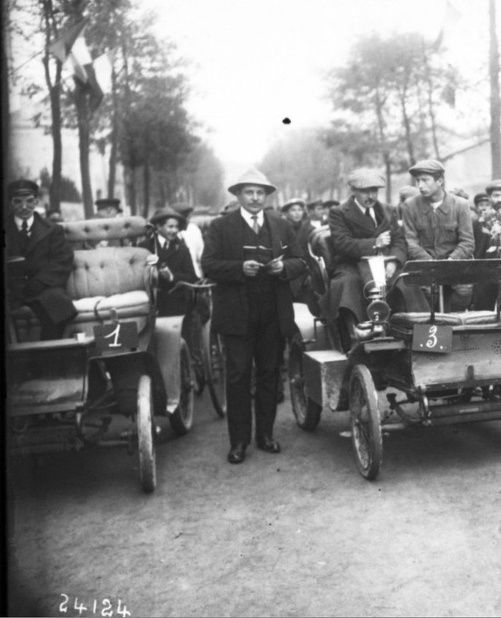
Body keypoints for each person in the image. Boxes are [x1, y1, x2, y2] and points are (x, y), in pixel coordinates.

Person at [202, 169, 306, 464]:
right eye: (249, 192)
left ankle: (265, 435)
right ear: (238, 196)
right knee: (237, 377)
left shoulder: (281, 224)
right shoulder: (220, 226)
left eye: (261, 192)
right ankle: (238, 442)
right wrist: (239, 269)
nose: (256, 198)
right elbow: (208, 264)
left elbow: (300, 261)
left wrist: (283, 269)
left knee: (269, 374)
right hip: (237, 313)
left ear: (267, 196)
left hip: (272, 311)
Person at [324, 168, 426, 349]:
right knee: (349, 283)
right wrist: (375, 243)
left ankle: (421, 336)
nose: (370, 196)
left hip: (385, 264)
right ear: (353, 190)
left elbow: (399, 240)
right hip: (352, 264)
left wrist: (394, 261)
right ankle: (357, 333)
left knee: (406, 282)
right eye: (365, 191)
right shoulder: (338, 212)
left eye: (374, 191)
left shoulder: (387, 210)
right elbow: (342, 243)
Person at [4, 179, 77, 340]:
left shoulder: (52, 230)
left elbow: (62, 260)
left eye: (29, 201)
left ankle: (47, 354)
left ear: (36, 201)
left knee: (58, 303)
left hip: (42, 288)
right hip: (10, 290)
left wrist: (40, 282)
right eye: (18, 201)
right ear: (10, 203)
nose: (24, 207)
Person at [399, 159, 475, 311]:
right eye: (418, 181)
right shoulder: (409, 206)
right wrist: (430, 264)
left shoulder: (460, 205)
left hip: (456, 264)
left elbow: (467, 242)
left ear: (439, 181)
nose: (420, 185)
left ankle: (454, 326)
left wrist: (450, 262)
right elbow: (411, 242)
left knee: (463, 293)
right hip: (424, 265)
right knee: (426, 295)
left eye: (425, 180)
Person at [138, 207, 199, 317]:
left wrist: (172, 277)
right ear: (158, 226)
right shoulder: (145, 247)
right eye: (170, 226)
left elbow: (192, 277)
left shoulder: (182, 249)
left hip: (177, 304)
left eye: (176, 227)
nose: (174, 230)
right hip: (151, 303)